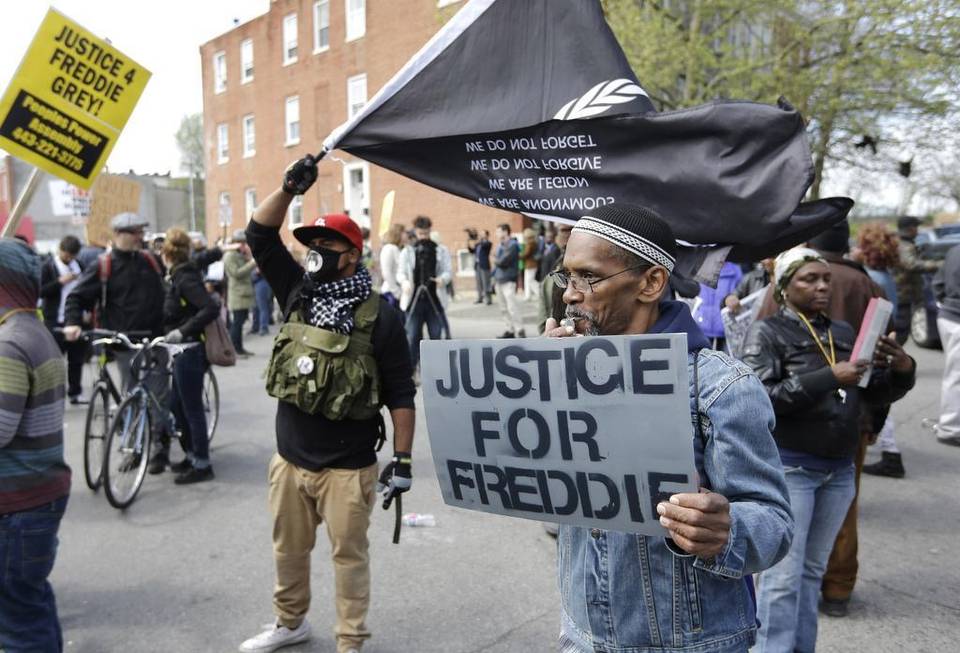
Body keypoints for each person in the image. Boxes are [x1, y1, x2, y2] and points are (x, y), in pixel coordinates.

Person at [543, 203, 793, 653]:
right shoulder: (568, 370)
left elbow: (774, 523)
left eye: (588, 277)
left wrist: (725, 529)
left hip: (689, 644)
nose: (570, 295)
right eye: (567, 276)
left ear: (651, 282)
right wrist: (541, 390)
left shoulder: (721, 386)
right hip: (583, 636)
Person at [239, 154, 416, 653]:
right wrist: (288, 188)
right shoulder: (296, 292)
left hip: (347, 467)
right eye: (311, 244)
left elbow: (401, 392)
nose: (315, 252)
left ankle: (350, 641)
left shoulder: (380, 316)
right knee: (288, 552)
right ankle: (290, 623)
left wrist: (403, 460)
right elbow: (259, 235)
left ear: (352, 255)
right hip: (289, 461)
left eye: (327, 245)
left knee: (349, 558)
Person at [743, 248, 915, 652]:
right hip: (792, 469)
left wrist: (902, 370)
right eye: (810, 279)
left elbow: (871, 392)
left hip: (838, 470)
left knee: (811, 572)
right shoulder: (767, 332)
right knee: (782, 577)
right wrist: (828, 378)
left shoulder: (842, 331)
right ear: (785, 288)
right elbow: (758, 399)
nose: (822, 286)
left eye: (826, 280)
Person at [0, 237, 72, 653]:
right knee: (31, 607)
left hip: (17, 505)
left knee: (19, 626)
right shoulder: (31, 329)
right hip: (36, 496)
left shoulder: (9, 343)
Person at [63, 212, 171, 473]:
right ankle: (133, 448)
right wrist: (73, 322)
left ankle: (160, 447)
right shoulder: (104, 265)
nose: (140, 237)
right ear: (119, 234)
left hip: (156, 339)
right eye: (135, 232)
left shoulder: (151, 260)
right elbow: (76, 297)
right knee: (130, 395)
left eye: (141, 232)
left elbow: (171, 290)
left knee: (158, 395)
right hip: (124, 343)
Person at [160, 228, 220, 484]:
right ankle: (192, 454)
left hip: (190, 349)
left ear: (167, 255)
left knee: (191, 408)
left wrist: (182, 331)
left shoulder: (184, 277)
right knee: (177, 405)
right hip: (181, 349)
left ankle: (202, 464)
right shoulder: (181, 272)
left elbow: (210, 307)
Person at [855, 224, 906, 478]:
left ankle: (891, 452)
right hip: (887, 336)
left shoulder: (872, 278)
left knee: (876, 398)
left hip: (878, 340)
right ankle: (890, 450)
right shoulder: (885, 275)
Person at [396, 215, 451, 370]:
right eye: (421, 234)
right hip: (414, 301)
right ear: (415, 232)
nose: (424, 237)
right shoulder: (407, 252)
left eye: (426, 233)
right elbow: (400, 273)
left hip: (434, 300)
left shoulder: (440, 250)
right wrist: (404, 282)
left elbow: (447, 271)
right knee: (413, 337)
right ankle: (412, 371)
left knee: (436, 335)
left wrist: (442, 279)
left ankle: (437, 370)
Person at [39, 235, 87, 404]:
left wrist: (87, 311)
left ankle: (75, 392)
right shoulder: (48, 267)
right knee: (54, 360)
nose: (68, 259)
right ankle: (53, 394)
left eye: (72, 256)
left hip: (75, 320)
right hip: (55, 320)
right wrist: (60, 282)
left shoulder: (80, 266)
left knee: (76, 359)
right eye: (66, 255)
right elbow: (41, 291)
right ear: (60, 250)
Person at [930, 242, 960, 446]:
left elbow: (937, 285)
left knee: (955, 373)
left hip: (948, 316)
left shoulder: (954, 250)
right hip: (956, 318)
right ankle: (949, 429)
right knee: (956, 375)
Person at [893, 215, 939, 344]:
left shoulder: (905, 244)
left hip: (906, 296)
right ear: (910, 229)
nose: (917, 230)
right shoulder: (904, 245)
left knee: (903, 332)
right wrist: (937, 265)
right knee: (900, 334)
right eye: (916, 227)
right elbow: (911, 264)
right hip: (903, 296)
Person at [693, 261, 743, 350]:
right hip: (701, 328)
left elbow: (740, 295)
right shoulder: (698, 266)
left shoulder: (736, 271)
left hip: (727, 330)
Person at [224, 229, 257, 357]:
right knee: (237, 323)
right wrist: (252, 263)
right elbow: (236, 273)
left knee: (241, 321)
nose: (244, 245)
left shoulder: (239, 254)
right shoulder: (230, 256)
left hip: (243, 293)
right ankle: (235, 349)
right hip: (237, 294)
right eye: (242, 243)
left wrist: (248, 257)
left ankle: (240, 348)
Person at [537, 223, 571, 334]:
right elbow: (544, 323)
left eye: (570, 229)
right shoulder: (550, 279)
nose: (569, 234)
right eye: (564, 230)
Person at [493, 223, 525, 338]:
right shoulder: (499, 246)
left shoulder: (513, 245)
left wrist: (495, 259)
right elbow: (498, 263)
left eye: (498, 231)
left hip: (509, 280)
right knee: (503, 308)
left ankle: (519, 330)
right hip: (499, 280)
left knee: (512, 307)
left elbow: (502, 262)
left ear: (505, 231)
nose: (496, 234)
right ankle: (509, 330)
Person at [378, 223, 405, 308]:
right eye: (404, 232)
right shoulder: (389, 248)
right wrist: (397, 292)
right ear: (398, 234)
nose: (406, 235)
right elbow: (386, 272)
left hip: (397, 293)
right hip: (391, 293)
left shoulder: (398, 249)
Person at [467, 229, 493, 304]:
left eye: (483, 234)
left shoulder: (488, 243)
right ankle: (480, 298)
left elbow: (484, 245)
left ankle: (488, 299)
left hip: (484, 265)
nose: (481, 235)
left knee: (486, 282)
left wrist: (478, 238)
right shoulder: (478, 244)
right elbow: (472, 251)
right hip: (477, 265)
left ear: (487, 235)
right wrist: (468, 243)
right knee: (479, 283)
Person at [251, 269, 274, 336]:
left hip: (262, 282)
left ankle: (264, 327)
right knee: (257, 308)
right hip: (258, 283)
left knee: (263, 307)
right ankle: (257, 326)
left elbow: (258, 270)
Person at [521, 226, 541, 300]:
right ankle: (528, 295)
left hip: (530, 264)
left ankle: (539, 293)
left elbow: (526, 254)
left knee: (530, 281)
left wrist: (519, 255)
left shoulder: (530, 243)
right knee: (528, 280)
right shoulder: (534, 242)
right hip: (532, 264)